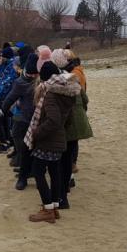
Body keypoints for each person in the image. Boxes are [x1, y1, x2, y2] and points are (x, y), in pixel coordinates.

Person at [24, 60, 81, 223]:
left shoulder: (50, 94)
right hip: (59, 139)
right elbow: (69, 119)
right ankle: (54, 207)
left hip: (48, 140)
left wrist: (37, 133)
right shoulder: (66, 92)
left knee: (38, 172)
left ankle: (48, 209)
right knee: (55, 173)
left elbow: (53, 120)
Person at [2, 53, 39, 190]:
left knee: (33, 148)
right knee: (24, 147)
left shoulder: (42, 81)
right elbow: (11, 97)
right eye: (30, 73)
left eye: (35, 74)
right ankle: (24, 175)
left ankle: (29, 173)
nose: (32, 76)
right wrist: (3, 110)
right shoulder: (20, 82)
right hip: (24, 118)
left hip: (37, 119)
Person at [63, 49, 93, 191]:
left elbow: (79, 93)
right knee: (72, 143)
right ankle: (71, 171)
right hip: (77, 111)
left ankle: (71, 172)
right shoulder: (76, 70)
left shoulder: (74, 73)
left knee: (71, 143)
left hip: (75, 112)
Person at [0, 46, 17, 153]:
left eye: (2, 57)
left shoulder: (11, 66)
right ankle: (7, 141)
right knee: (4, 120)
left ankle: (4, 143)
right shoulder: (3, 65)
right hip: (1, 96)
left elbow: (6, 81)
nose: (0, 58)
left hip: (6, 97)